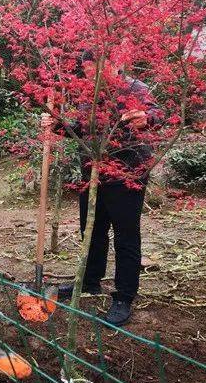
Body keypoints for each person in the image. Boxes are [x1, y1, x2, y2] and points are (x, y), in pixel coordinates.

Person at [56, 56, 161, 326]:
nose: (92, 77)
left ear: (114, 65)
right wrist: (57, 125)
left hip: (126, 175)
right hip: (91, 175)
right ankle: (90, 281)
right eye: (88, 72)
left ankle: (124, 295)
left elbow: (156, 114)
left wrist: (146, 118)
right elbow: (80, 128)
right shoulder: (87, 96)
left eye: (98, 71)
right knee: (91, 229)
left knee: (125, 237)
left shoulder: (135, 89)